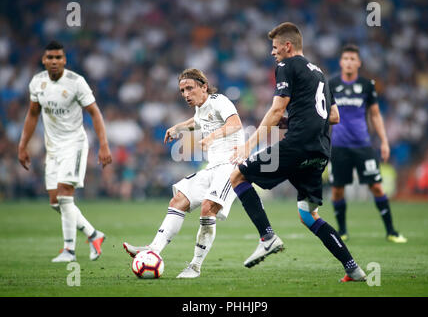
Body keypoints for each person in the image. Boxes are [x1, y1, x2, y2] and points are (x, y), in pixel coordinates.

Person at [229, 22, 366, 282]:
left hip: (298, 146)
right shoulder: (320, 74)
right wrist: (295, 121)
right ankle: (353, 268)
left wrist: (250, 144)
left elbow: (277, 109)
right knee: (307, 214)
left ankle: (267, 237)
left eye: (274, 47)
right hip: (321, 151)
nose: (272, 52)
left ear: (287, 46)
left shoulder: (286, 66)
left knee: (238, 176)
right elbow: (333, 116)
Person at [123, 68, 244, 278]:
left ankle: (195, 267)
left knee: (208, 208)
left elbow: (235, 124)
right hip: (213, 167)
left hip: (231, 166)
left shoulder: (219, 101)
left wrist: (212, 137)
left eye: (189, 88)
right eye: (182, 90)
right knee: (178, 200)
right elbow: (197, 122)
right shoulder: (202, 108)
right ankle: (152, 250)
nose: (185, 94)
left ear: (204, 86)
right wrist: (177, 128)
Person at [18, 41, 112, 262]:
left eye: (58, 57)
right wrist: (23, 145)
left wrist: (104, 145)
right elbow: (32, 114)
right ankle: (93, 234)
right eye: (50, 57)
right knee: (55, 202)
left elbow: (95, 112)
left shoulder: (76, 82)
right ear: (43, 60)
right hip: (53, 149)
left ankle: (69, 250)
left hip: (74, 145)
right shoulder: (37, 83)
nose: (54, 61)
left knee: (64, 196)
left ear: (64, 60)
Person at [329, 44, 407, 243]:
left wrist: (384, 142)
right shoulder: (332, 84)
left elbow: (375, 114)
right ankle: (343, 230)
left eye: (352, 59)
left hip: (363, 145)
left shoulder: (366, 85)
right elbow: (323, 114)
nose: (349, 62)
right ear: (340, 62)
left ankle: (391, 231)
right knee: (338, 189)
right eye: (345, 58)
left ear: (358, 63)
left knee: (377, 187)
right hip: (339, 146)